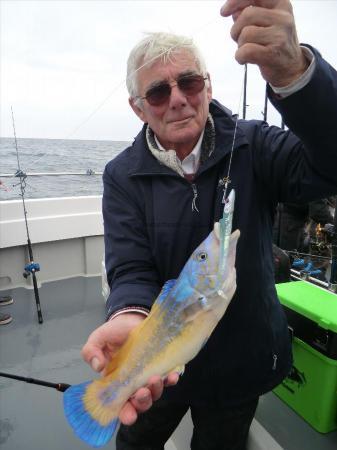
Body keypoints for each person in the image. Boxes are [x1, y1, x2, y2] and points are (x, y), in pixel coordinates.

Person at [82, 1, 337, 448]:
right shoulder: (121, 175)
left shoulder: (255, 145)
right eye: (158, 92)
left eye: (190, 81)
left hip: (239, 365)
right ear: (139, 108)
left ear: (207, 85)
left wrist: (296, 75)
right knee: (135, 441)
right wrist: (130, 315)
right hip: (158, 361)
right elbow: (130, 267)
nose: (177, 97)